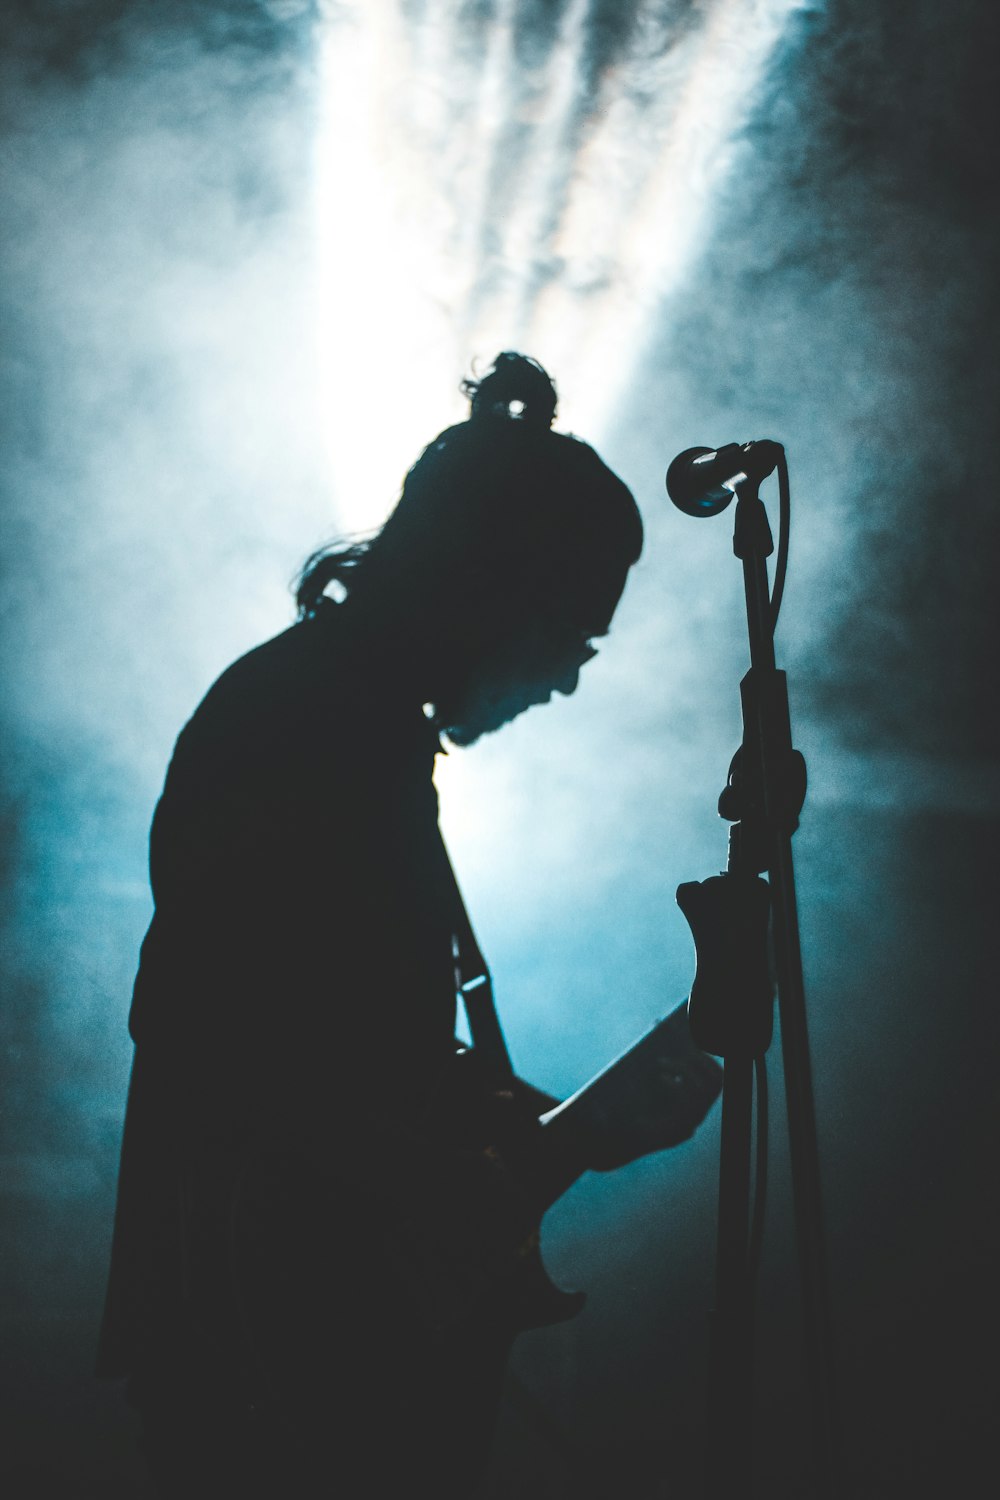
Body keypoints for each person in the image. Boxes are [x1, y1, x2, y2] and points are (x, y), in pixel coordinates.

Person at [97, 352, 717, 1497]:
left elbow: (340, 1064)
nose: (569, 682)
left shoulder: (346, 723)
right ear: (491, 584)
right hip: (279, 1367)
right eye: (571, 638)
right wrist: (570, 1142)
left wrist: (552, 1123)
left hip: (277, 1344)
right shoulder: (309, 729)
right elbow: (259, 1083)